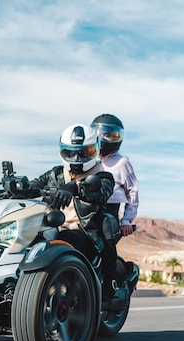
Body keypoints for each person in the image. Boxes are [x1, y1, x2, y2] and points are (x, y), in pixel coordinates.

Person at [29, 123, 118, 303]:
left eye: (84, 152)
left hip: (84, 232)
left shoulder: (104, 177)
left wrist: (75, 188)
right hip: (49, 227)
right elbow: (33, 186)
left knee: (100, 225)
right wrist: (5, 190)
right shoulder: (55, 174)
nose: (76, 158)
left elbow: (100, 194)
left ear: (96, 150)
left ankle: (110, 284)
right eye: (70, 152)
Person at [90, 114, 139, 237]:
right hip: (86, 210)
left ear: (116, 137)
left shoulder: (122, 162)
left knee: (105, 249)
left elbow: (132, 192)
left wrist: (126, 220)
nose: (101, 138)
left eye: (107, 135)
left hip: (109, 212)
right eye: (97, 133)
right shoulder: (89, 159)